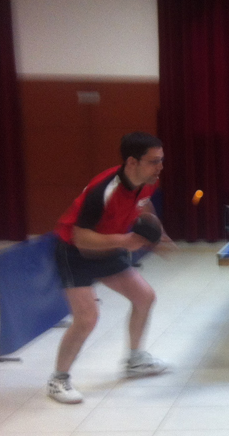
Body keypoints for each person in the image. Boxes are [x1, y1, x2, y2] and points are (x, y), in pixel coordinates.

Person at [47, 132, 173, 404]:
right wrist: (125, 241)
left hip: (106, 246)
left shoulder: (146, 182)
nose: (160, 167)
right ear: (132, 162)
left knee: (144, 297)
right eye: (154, 161)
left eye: (161, 160)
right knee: (87, 318)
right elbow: (81, 237)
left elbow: (143, 204)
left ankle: (135, 361)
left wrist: (157, 233)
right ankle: (58, 379)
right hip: (74, 251)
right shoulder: (102, 191)